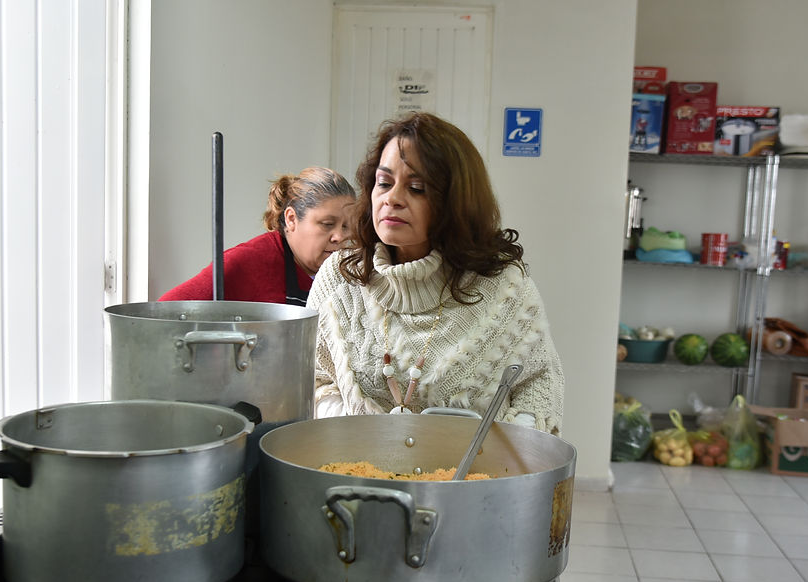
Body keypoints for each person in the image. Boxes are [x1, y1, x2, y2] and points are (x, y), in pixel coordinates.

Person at [307, 113, 564, 434]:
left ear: (455, 201)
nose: (392, 199)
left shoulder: (503, 286)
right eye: (384, 183)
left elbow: (541, 383)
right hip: (355, 471)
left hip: (472, 475)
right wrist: (366, 437)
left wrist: (504, 447)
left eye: (416, 188)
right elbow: (315, 380)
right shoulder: (341, 278)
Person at [159, 167, 355, 305]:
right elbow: (166, 312)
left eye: (347, 226)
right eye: (327, 224)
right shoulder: (245, 262)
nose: (339, 236)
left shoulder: (346, 272)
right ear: (291, 219)